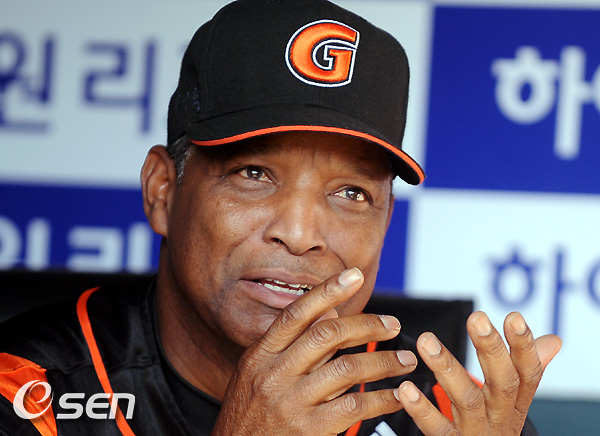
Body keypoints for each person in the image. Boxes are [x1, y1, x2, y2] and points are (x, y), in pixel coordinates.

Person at [0, 0, 562, 435]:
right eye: (253, 173)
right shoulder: (25, 389)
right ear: (163, 191)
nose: (299, 234)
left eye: (351, 193)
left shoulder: (435, 407)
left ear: (387, 221)